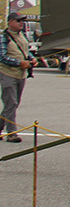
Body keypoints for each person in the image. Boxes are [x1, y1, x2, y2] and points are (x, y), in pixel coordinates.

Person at [1, 13, 41, 142]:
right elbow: (2, 57)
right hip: (8, 74)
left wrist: (31, 59)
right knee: (11, 103)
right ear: (10, 22)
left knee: (13, 104)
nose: (21, 23)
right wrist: (19, 63)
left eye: (23, 21)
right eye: (18, 21)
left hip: (21, 74)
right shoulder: (4, 37)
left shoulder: (21, 36)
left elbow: (26, 51)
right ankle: (12, 133)